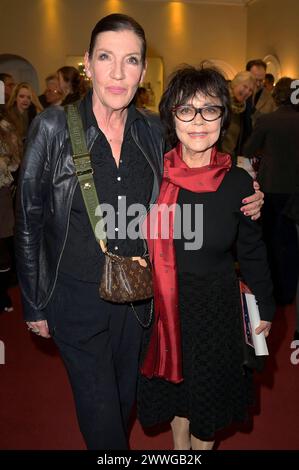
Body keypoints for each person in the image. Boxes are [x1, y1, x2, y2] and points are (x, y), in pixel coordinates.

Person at [15, 14, 263, 450]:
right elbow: (29, 219)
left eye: (130, 60)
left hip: (139, 302)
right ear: (88, 64)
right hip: (75, 299)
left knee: (125, 400)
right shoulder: (52, 128)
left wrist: (247, 190)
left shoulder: (150, 130)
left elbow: (195, 165)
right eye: (106, 57)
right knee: (103, 419)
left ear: (143, 71)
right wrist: (34, 302)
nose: (117, 72)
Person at [137, 65, 275, 451]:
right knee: (179, 403)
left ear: (223, 116)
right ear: (171, 117)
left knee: (206, 411)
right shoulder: (150, 175)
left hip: (216, 311)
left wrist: (264, 305)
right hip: (163, 308)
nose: (198, 121)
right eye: (186, 109)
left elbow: (251, 250)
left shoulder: (239, 182)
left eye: (209, 109)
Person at [244, 77, 299, 328]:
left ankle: (273, 292)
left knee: (268, 241)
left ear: (277, 96)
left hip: (271, 188)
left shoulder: (268, 120)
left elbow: (249, 148)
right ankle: (289, 293)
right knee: (290, 244)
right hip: (295, 192)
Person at [0, 107, 21, 312]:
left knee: (3, 248)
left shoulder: (6, 127)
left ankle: (3, 293)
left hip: (2, 192)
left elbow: (15, 161)